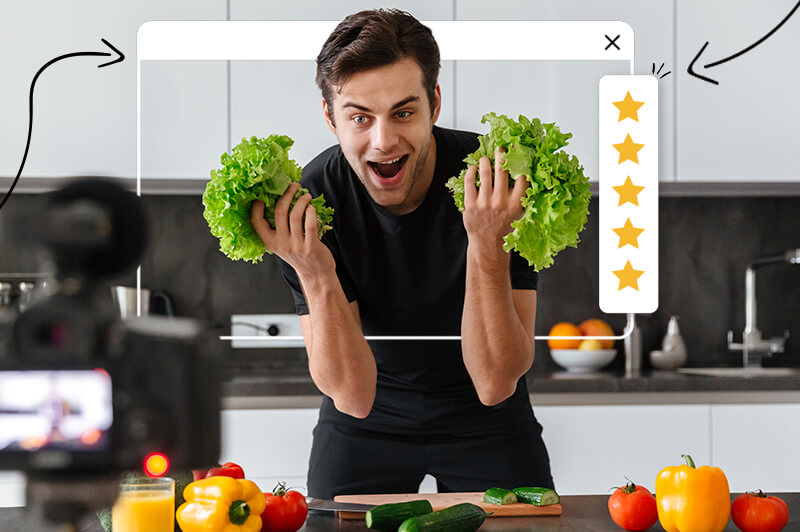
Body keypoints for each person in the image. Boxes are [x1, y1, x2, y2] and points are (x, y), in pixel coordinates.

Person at [250, 8, 554, 498]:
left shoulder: (494, 182)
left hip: (489, 420)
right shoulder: (311, 201)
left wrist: (485, 240)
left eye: (403, 112)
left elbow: (496, 382)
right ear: (330, 118)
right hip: (367, 420)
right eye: (359, 118)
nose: (384, 141)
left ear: (434, 103)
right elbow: (351, 395)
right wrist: (314, 270)